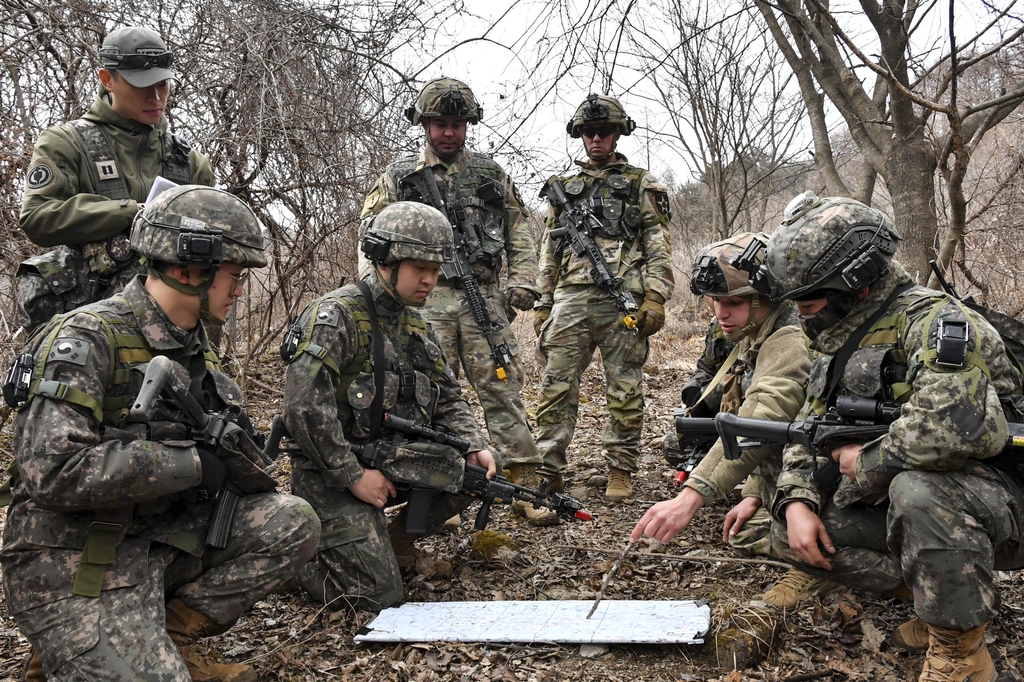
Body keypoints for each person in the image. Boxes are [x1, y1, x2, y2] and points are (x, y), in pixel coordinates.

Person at [1, 185, 320, 682]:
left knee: (292, 522)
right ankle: (72, 641)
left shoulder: (195, 345)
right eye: (235, 276)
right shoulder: (87, 338)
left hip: (156, 538)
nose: (240, 291)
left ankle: (168, 638)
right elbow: (52, 471)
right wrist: (188, 465)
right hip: (76, 557)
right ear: (189, 269)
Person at [761, 193, 1024, 681]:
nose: (800, 314)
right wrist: (796, 499)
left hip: (1004, 500)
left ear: (854, 285)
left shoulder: (936, 324)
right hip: (951, 504)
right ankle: (939, 602)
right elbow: (810, 422)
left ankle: (962, 654)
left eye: (809, 301)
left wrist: (865, 464)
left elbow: (953, 430)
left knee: (918, 489)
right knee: (788, 530)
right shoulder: (839, 334)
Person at [282, 201, 498, 613]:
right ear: (385, 260)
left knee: (476, 471)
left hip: (392, 464)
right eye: (420, 269)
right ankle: (294, 565)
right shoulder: (336, 316)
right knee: (380, 598)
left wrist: (473, 443)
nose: (430, 281)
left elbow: (449, 396)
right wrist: (353, 476)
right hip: (330, 478)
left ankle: (396, 544)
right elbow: (304, 409)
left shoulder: (416, 324)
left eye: (436, 271)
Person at [359, 78, 548, 524]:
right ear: (424, 125)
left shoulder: (489, 174)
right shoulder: (399, 177)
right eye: (440, 124)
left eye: (457, 124)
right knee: (426, 396)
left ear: (468, 126)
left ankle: (521, 481)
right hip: (423, 302)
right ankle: (446, 486)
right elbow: (371, 237)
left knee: (503, 386)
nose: (449, 132)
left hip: (483, 297)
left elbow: (520, 229)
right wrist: (380, 295)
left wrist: (522, 283)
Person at [631, 233, 833, 608]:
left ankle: (831, 569)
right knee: (742, 533)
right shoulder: (757, 327)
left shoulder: (789, 338)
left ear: (768, 297)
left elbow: (762, 418)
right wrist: (756, 491)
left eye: (734, 302)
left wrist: (690, 498)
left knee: (793, 538)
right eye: (714, 302)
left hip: (832, 473)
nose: (720, 313)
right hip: (799, 466)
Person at [17, 25, 215, 333]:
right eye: (142, 85)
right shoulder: (66, 143)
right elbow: (37, 217)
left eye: (163, 85)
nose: (155, 96)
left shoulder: (188, 162)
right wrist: (131, 212)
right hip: (82, 329)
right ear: (107, 79)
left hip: (170, 330)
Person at [533, 93, 674, 506]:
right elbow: (549, 249)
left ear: (617, 133)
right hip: (571, 298)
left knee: (625, 386)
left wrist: (656, 296)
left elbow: (658, 243)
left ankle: (620, 468)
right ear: (580, 135)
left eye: (604, 131)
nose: (596, 139)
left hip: (622, 298)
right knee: (556, 385)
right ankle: (548, 468)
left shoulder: (641, 184)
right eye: (589, 132)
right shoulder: (562, 188)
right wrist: (544, 300)